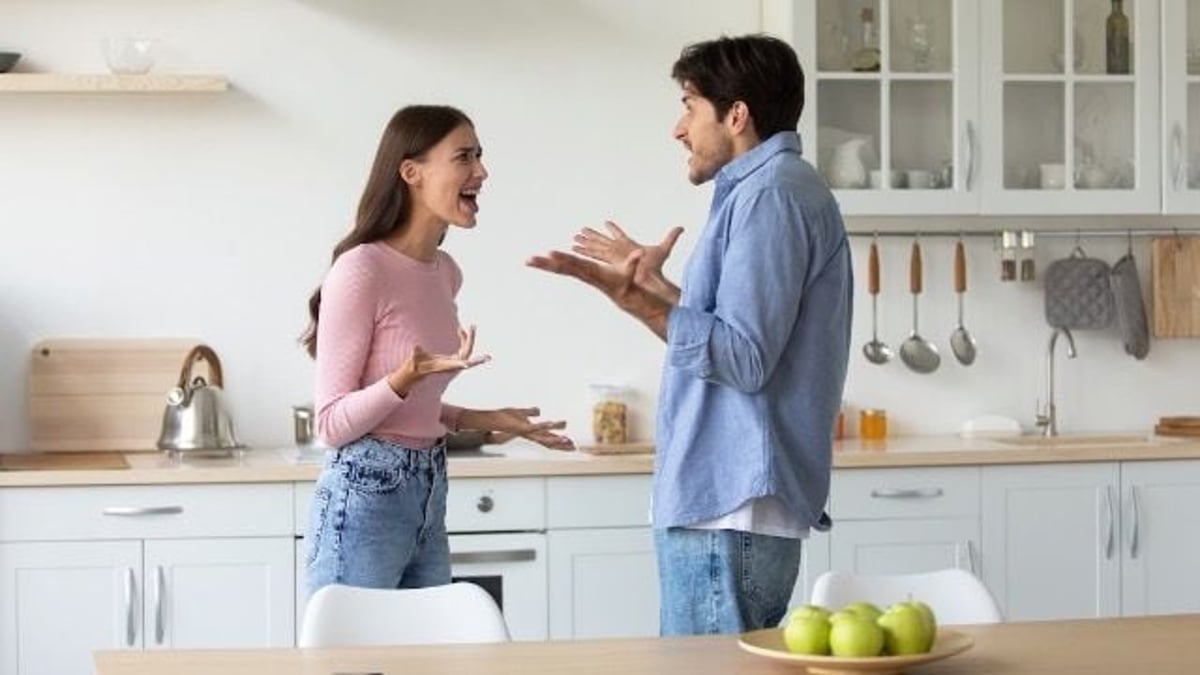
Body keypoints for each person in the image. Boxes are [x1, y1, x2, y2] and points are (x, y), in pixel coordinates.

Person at [528, 35, 852, 635]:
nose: (679, 129)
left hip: (728, 508)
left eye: (689, 106)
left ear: (737, 115)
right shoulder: (768, 190)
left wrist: (635, 304)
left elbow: (745, 359)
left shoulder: (772, 195)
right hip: (730, 506)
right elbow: (740, 331)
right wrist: (660, 291)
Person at [301, 104, 574, 597]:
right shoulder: (361, 269)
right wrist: (402, 379)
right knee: (352, 664)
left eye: (480, 156)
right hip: (366, 493)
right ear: (412, 172)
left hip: (427, 488)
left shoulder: (445, 271)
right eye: (464, 157)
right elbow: (332, 424)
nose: (481, 172)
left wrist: (486, 418)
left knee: (424, 661)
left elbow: (416, 406)